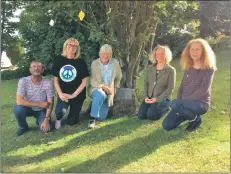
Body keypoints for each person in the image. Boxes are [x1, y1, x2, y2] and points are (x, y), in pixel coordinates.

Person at [162, 38, 217, 132]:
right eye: (192, 49)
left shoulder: (208, 69)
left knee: (174, 103)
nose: (194, 52)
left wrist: (181, 102)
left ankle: (195, 119)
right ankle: (190, 115)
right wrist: (180, 100)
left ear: (203, 51)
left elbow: (203, 90)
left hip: (200, 104)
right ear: (188, 51)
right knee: (167, 125)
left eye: (197, 49)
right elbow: (182, 86)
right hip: (184, 104)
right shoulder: (188, 67)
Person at [51, 37, 89, 129]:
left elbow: (84, 82)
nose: (72, 47)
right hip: (63, 94)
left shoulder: (81, 62)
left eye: (75, 46)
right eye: (70, 45)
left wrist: (74, 95)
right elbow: (55, 80)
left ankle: (73, 116)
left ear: (77, 49)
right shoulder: (59, 60)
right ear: (65, 46)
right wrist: (60, 94)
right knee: (60, 112)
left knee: (72, 122)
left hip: (78, 95)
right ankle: (58, 119)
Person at [13, 60, 54, 136]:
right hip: (28, 108)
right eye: (34, 66)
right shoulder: (23, 81)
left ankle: (40, 120)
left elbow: (50, 102)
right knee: (18, 109)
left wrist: (47, 119)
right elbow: (19, 101)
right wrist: (39, 104)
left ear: (42, 69)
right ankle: (23, 127)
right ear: (30, 70)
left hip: (42, 110)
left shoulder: (48, 82)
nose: (36, 68)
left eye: (39, 66)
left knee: (47, 129)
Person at [138, 45, 176, 121]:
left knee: (151, 116)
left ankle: (167, 107)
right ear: (154, 56)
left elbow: (170, 88)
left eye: (162, 53)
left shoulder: (171, 70)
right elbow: (146, 83)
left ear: (166, 55)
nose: (160, 56)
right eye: (157, 54)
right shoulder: (150, 68)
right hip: (149, 98)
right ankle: (151, 107)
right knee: (141, 116)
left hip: (163, 98)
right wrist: (145, 96)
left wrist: (157, 99)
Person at [88, 44, 122, 128]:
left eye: (108, 53)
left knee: (101, 117)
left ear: (111, 54)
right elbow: (92, 80)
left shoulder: (115, 63)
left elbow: (119, 76)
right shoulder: (94, 63)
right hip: (96, 88)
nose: (105, 55)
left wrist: (115, 87)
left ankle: (96, 103)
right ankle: (91, 119)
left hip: (109, 92)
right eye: (103, 53)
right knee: (100, 94)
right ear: (99, 54)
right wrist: (103, 86)